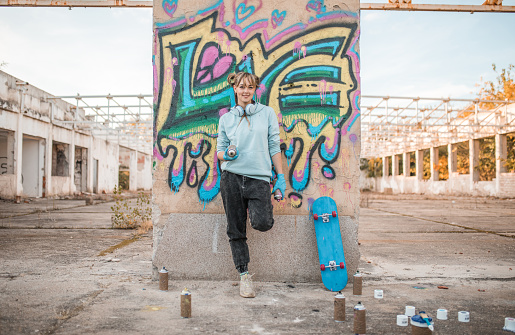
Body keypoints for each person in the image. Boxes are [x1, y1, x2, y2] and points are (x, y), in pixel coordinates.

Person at [216, 72, 286, 298]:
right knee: (235, 230)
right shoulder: (226, 118)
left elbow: (274, 146)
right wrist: (224, 154)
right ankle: (244, 276)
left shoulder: (266, 113)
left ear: (255, 89)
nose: (245, 90)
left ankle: (259, 210)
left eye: (250, 87)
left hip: (259, 178)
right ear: (234, 88)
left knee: (263, 222)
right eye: (241, 86)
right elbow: (219, 150)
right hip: (231, 177)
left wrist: (281, 177)